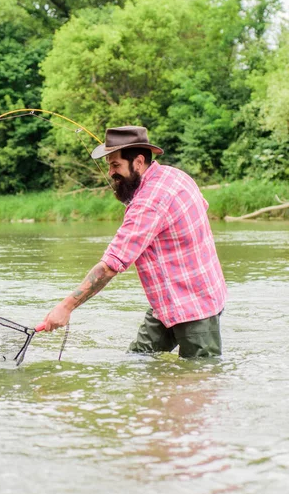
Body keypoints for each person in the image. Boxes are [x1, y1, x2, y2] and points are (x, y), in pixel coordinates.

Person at [43, 126, 227, 358]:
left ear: (138, 162)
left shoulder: (148, 203)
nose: (110, 172)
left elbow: (111, 265)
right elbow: (202, 207)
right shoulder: (175, 175)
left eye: (115, 165)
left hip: (195, 307)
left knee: (200, 377)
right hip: (168, 302)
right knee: (137, 361)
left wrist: (65, 307)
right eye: (109, 165)